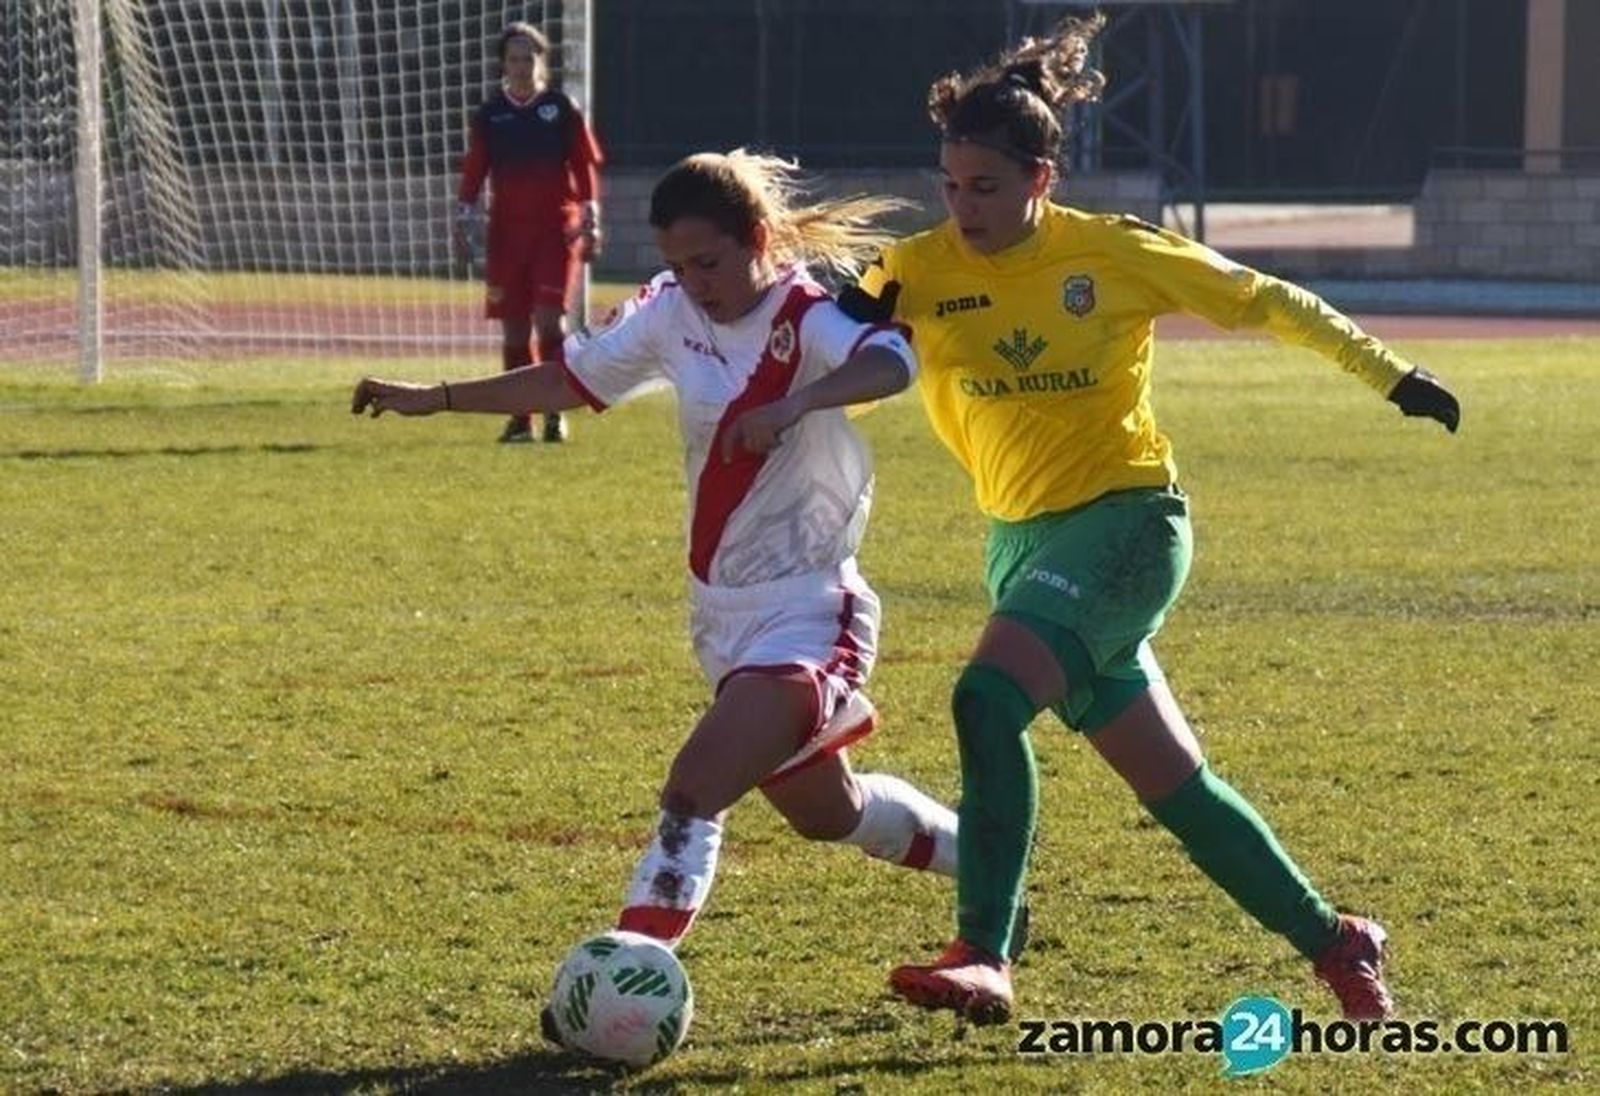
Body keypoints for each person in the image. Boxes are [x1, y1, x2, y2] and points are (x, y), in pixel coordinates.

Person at [839, 14, 1461, 1026]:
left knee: (986, 701)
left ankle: (982, 952)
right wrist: (835, 327)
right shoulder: (917, 268)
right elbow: (854, 383)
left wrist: (1389, 374)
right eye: (950, 185)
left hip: (1127, 525)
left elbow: (1262, 298)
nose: (963, 208)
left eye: (986, 188)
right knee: (1179, 791)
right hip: (1021, 545)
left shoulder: (1113, 254)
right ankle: (1336, 940)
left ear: (1043, 177)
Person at [358, 149, 968, 1006]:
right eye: (677, 265)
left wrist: (793, 403)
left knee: (693, 790)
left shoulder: (805, 313)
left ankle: (623, 982)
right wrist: (441, 396)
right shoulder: (668, 311)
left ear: (758, 238)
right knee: (830, 813)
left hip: (810, 610)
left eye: (708, 263)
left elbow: (892, 364)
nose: (693, 282)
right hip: (720, 618)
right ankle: (987, 859)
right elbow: (573, 378)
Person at [455, 21, 603, 444]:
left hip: (556, 233)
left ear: (542, 61)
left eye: (529, 58)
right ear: (504, 64)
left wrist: (592, 220)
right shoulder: (491, 114)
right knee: (515, 330)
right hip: (506, 236)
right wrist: (463, 218)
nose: (522, 66)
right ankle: (521, 418)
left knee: (550, 322)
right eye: (514, 59)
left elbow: (584, 167)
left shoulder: (561, 108)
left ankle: (556, 411)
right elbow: (474, 171)